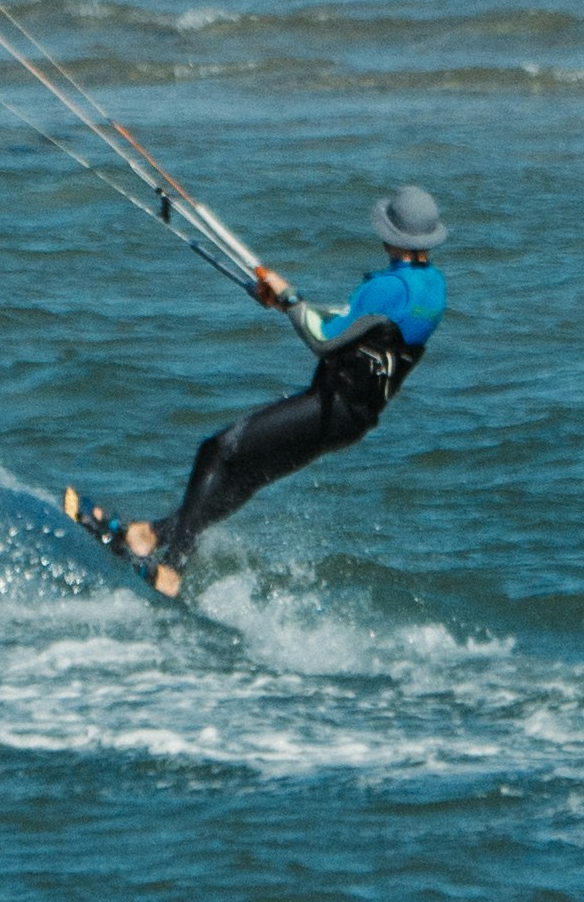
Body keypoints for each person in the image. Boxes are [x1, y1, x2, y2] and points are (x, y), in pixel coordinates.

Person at [72, 185, 449, 601]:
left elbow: (324, 339)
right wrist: (288, 303)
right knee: (245, 476)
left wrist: (289, 300)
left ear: (391, 234)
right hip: (355, 419)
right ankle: (148, 534)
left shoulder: (388, 288)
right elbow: (353, 323)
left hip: (328, 405)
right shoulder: (431, 288)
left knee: (216, 450)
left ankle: (173, 567)